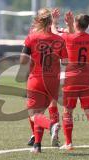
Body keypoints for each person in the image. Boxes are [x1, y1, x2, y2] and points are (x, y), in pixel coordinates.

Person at [53, 11, 89, 152]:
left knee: (68, 112)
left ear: (75, 24)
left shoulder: (67, 37)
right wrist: (70, 26)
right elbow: (73, 34)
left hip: (72, 79)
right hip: (88, 78)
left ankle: (69, 143)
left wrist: (54, 21)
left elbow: (55, 32)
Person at [20, 8, 68, 153]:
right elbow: (65, 62)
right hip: (52, 82)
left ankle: (52, 125)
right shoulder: (59, 40)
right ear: (50, 22)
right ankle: (37, 146)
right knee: (39, 112)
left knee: (34, 115)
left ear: (39, 21)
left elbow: (22, 60)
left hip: (36, 79)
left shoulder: (31, 38)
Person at [26, 8, 61, 147]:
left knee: (34, 112)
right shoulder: (54, 33)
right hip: (52, 77)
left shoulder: (33, 34)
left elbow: (26, 58)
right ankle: (38, 141)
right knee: (47, 107)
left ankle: (46, 132)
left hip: (36, 76)